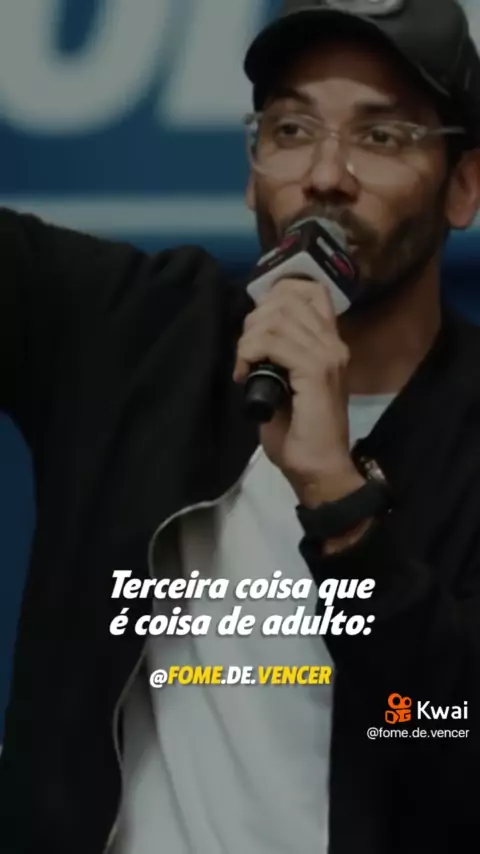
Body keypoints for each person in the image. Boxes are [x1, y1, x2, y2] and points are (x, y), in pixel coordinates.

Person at [1, 0, 480, 851]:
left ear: (464, 185)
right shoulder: (134, 337)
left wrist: (341, 508)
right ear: (253, 169)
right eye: (292, 129)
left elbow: (449, 728)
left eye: (381, 136)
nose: (326, 175)